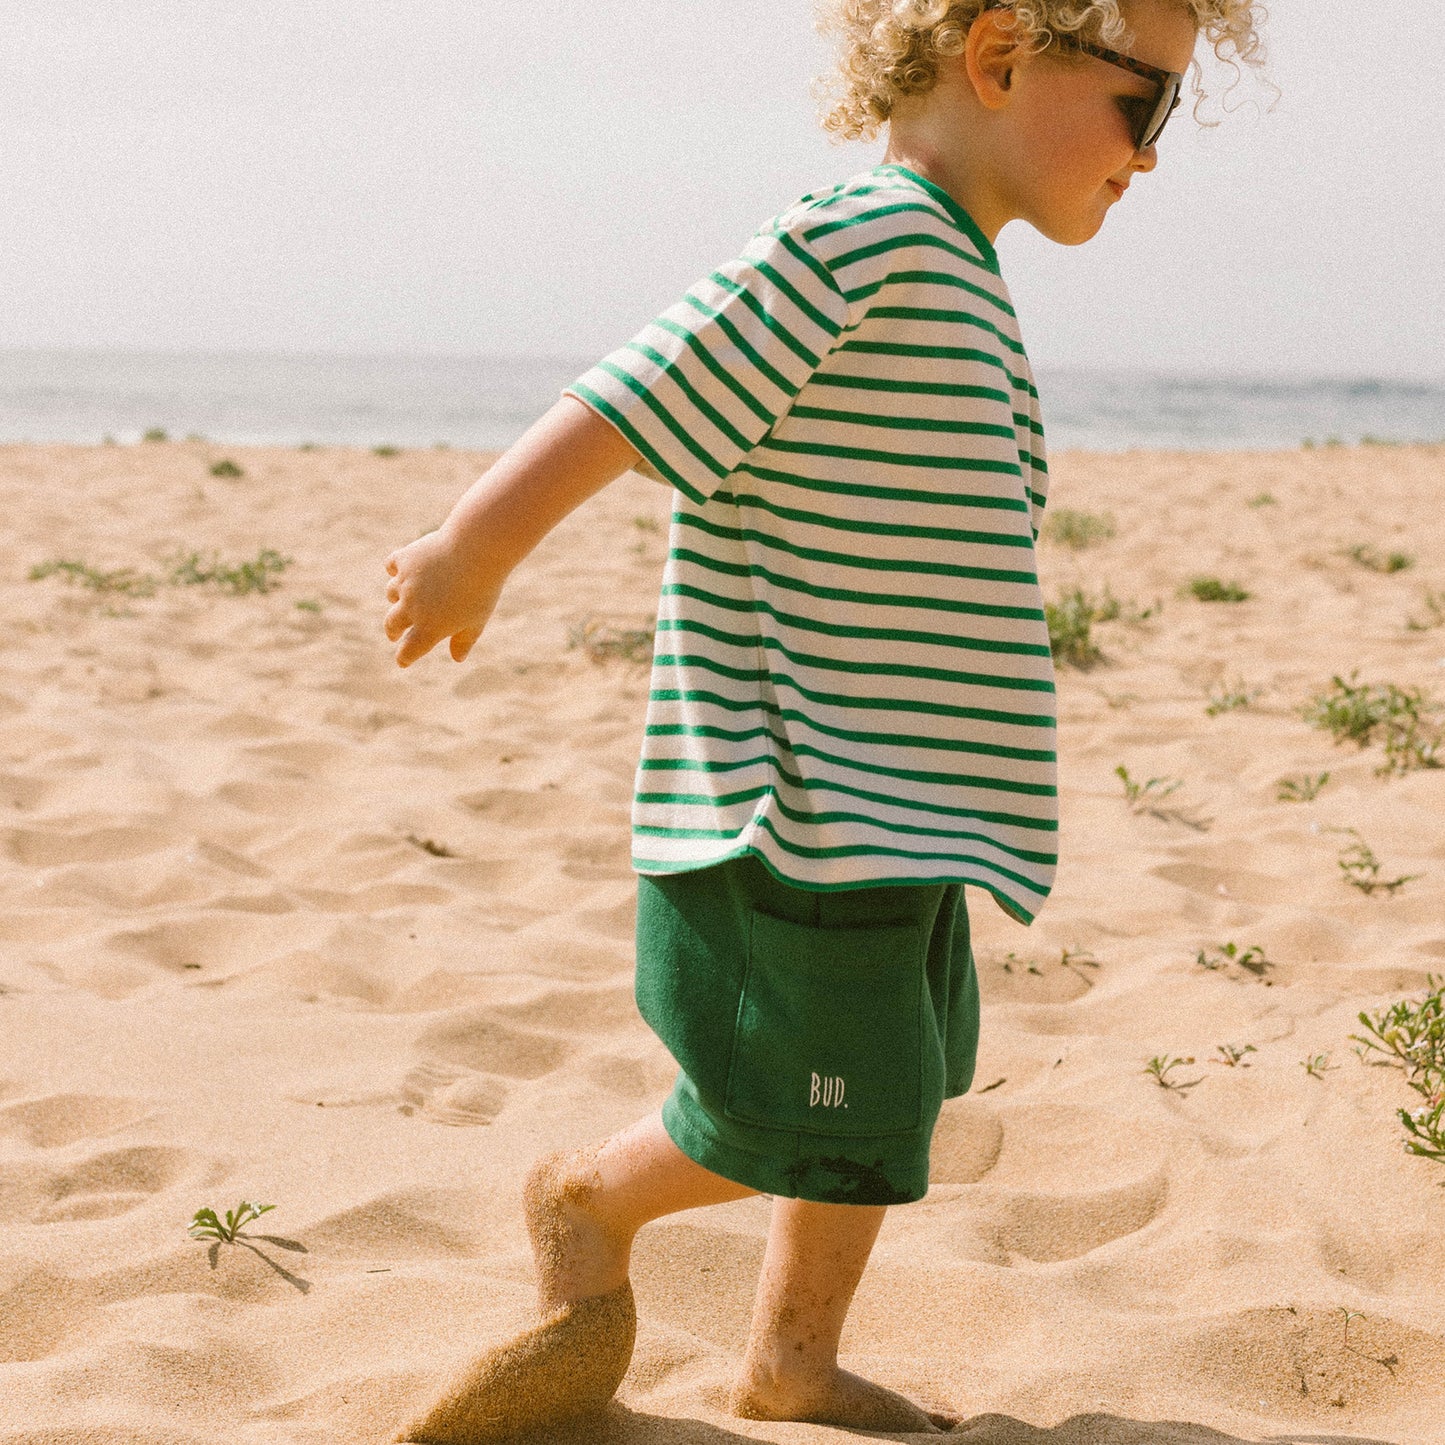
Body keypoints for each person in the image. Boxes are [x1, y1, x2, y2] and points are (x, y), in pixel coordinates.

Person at [384, 1, 1264, 1436]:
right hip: (794, 800)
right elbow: (647, 383)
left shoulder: (955, 264)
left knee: (880, 1106)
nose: (1152, 156)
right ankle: (588, 1200)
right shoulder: (867, 235)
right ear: (996, 59)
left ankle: (788, 1359)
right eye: (1144, 107)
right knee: (801, 1104)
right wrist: (477, 541)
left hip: (899, 801)